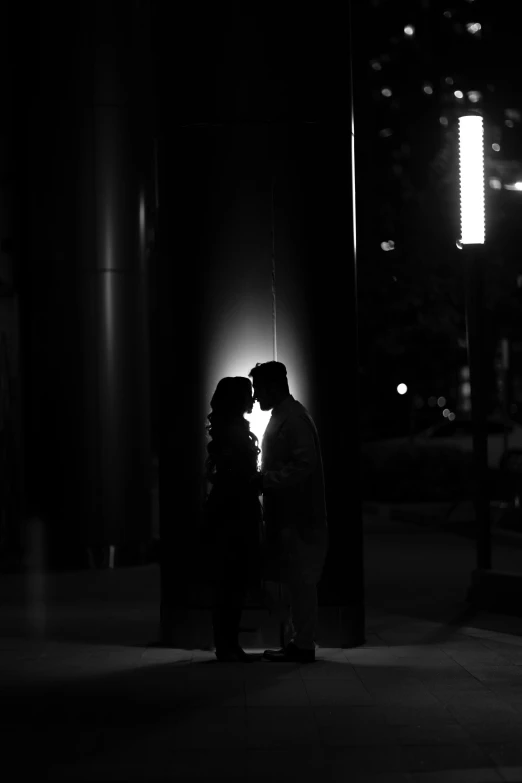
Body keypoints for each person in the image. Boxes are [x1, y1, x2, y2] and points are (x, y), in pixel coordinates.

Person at [247, 361, 328, 663]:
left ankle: (303, 644)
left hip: (299, 517)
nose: (255, 397)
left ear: (273, 387)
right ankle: (299, 642)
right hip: (294, 516)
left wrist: (266, 479)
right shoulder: (289, 416)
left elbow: (304, 466)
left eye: (259, 389)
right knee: (298, 582)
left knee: (302, 583)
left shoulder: (292, 419)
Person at [202, 377, 264, 663]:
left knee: (227, 581)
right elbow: (236, 477)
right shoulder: (235, 432)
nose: (252, 399)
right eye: (248, 395)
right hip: (235, 513)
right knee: (232, 581)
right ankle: (228, 646)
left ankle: (226, 644)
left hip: (226, 511)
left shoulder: (226, 431)